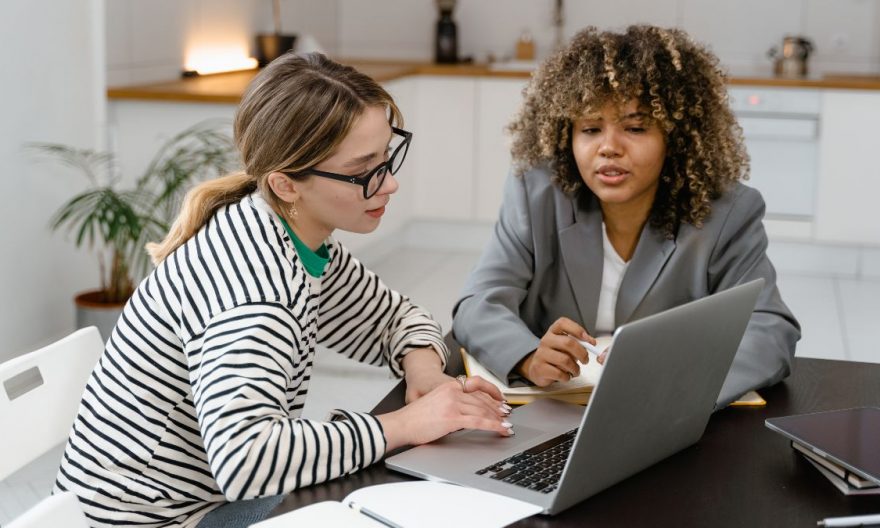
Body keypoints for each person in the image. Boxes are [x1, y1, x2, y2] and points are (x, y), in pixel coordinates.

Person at [54, 53, 512, 528]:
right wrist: (405, 424)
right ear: (287, 184)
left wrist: (425, 371)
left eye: (387, 157)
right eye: (364, 171)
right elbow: (248, 462)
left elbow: (395, 317)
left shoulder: (287, 236)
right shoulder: (257, 294)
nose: (390, 183)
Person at [452, 25, 800, 408]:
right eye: (590, 128)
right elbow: (477, 303)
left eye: (635, 127)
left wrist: (677, 384)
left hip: (662, 421)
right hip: (548, 413)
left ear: (675, 136)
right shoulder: (537, 193)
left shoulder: (725, 211)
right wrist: (527, 355)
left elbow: (770, 331)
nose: (609, 148)